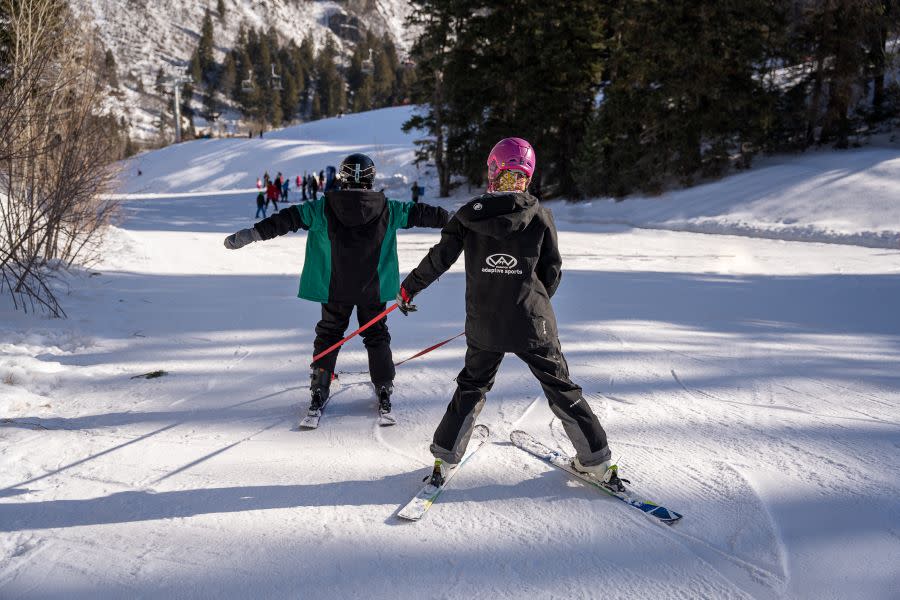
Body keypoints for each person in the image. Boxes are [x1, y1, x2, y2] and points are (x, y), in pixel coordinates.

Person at [396, 138, 622, 490]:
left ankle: (445, 457)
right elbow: (552, 272)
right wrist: (531, 305)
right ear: (527, 176)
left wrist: (409, 287)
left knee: (472, 385)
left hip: (485, 321)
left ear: (493, 170)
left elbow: (440, 259)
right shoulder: (541, 216)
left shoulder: (469, 215)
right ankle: (596, 462)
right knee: (561, 387)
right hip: (534, 321)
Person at [223, 153, 450, 420]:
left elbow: (286, 220)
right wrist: (462, 219)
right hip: (373, 290)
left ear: (342, 177)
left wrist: (251, 234)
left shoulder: (321, 208)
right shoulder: (389, 208)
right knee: (376, 334)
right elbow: (425, 214)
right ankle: (384, 386)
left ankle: (320, 387)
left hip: (334, 290)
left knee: (330, 333)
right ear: (371, 178)